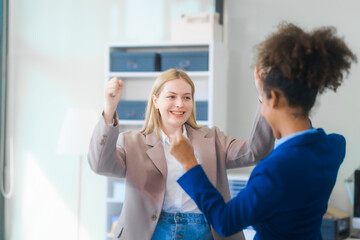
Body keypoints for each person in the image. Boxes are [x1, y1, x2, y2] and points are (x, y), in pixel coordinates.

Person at [169, 23, 357, 240]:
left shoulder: (274, 170)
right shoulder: (333, 147)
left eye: (264, 100)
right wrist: (265, 92)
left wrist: (189, 163)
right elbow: (301, 125)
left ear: (275, 99)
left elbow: (225, 221)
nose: (263, 109)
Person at [88, 68, 274, 240]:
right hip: (153, 232)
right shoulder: (131, 141)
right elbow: (100, 165)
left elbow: (255, 152)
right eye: (171, 96)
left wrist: (264, 97)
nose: (179, 104)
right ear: (155, 101)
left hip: (205, 232)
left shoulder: (213, 138)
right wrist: (110, 108)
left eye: (187, 97)